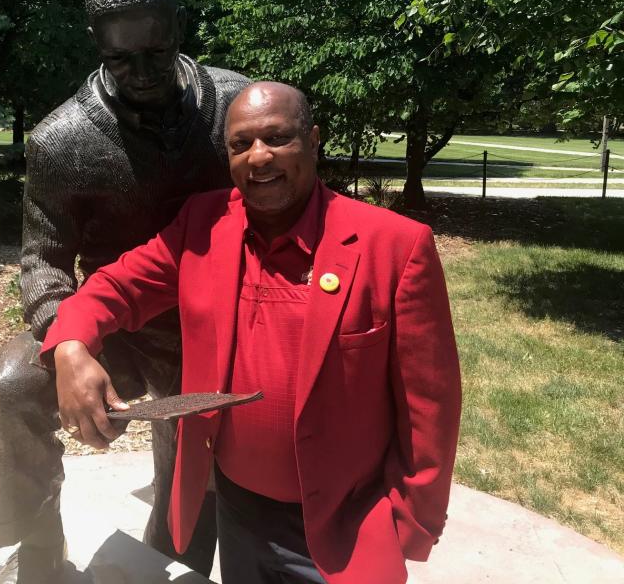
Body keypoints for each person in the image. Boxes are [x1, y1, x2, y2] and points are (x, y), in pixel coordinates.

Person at [44, 82, 462, 584]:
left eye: (277, 138)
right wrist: (70, 344)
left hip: (345, 528)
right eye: (240, 145)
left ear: (313, 139)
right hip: (237, 514)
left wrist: (408, 525)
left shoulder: (394, 246)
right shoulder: (204, 225)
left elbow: (430, 407)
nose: (258, 157)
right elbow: (116, 286)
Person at [0, 0, 249, 583]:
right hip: (112, 327)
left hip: (214, 323)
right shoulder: (61, 140)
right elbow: (42, 262)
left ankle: (174, 554)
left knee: (188, 478)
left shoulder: (237, 111)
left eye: (155, 52)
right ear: (95, 42)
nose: (143, 72)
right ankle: (38, 550)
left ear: (178, 27)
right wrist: (70, 343)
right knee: (8, 386)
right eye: (120, 59)